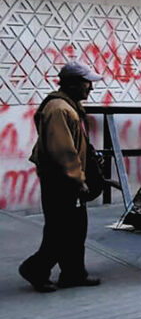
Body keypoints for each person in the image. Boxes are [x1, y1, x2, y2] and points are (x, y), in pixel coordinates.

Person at [19, 62, 103, 292]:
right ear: (73, 83)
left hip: (64, 178)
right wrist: (78, 180)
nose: (90, 89)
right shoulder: (59, 109)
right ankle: (35, 268)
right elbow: (63, 151)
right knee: (61, 229)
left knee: (76, 228)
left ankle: (73, 273)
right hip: (61, 180)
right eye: (87, 84)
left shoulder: (68, 106)